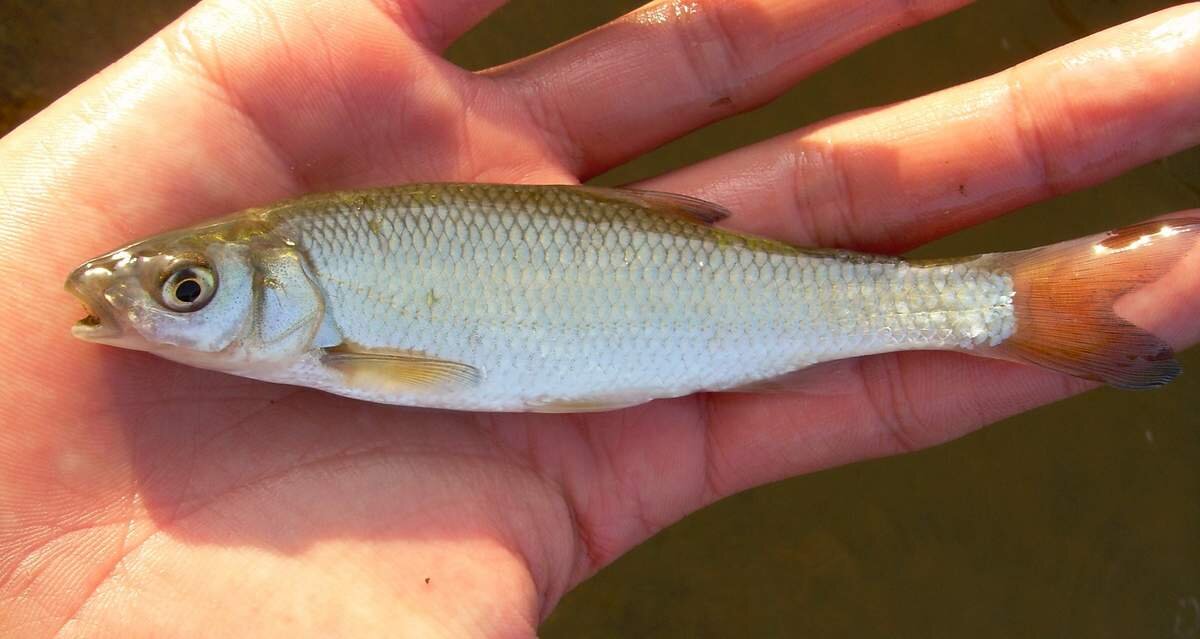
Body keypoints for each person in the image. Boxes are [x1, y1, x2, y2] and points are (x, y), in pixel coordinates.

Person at [1, 0, 1197, 635]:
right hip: (666, 327)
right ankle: (1016, 304)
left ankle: (1006, 306)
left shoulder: (338, 340)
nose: (155, 309)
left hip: (680, 319)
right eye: (181, 290)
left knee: (946, 302)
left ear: (277, 281)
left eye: (186, 291)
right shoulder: (321, 323)